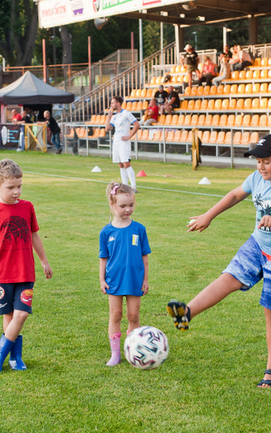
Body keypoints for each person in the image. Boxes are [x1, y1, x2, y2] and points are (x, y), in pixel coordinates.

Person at [166, 134, 271, 388]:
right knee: (228, 278)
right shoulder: (256, 178)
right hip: (258, 243)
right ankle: (187, 313)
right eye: (258, 161)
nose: (261, 166)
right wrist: (208, 215)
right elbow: (233, 195)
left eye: (267, 161)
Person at [0, 159, 53, 372]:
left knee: (22, 314)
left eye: (19, 186)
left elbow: (34, 235)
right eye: (11, 188)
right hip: (2, 273)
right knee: (9, 316)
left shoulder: (28, 208)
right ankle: (15, 358)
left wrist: (44, 262)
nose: (16, 191)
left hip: (26, 272)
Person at [99, 182, 150, 366]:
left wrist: (145, 279)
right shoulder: (106, 232)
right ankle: (115, 354)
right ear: (112, 205)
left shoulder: (139, 229)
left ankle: (134, 351)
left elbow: (145, 257)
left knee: (133, 316)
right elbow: (103, 258)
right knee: (116, 314)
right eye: (122, 206)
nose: (127, 209)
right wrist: (102, 280)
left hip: (135, 280)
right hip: (114, 281)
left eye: (131, 205)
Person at [105, 95, 141, 189]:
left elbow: (136, 124)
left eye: (113, 102)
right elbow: (107, 129)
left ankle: (133, 186)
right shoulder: (114, 117)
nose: (111, 104)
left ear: (118, 103)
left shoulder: (126, 113)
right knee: (120, 164)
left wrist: (129, 136)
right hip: (116, 141)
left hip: (124, 142)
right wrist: (109, 117)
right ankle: (125, 186)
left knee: (126, 164)